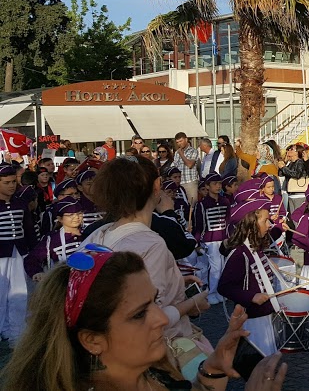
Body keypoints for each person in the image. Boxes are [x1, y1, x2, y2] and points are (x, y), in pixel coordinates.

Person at [0, 246, 289, 391]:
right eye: (139, 314)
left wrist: (211, 371)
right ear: (92, 340)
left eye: (155, 301)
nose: (162, 319)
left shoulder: (155, 372)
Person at [81, 157, 211, 353]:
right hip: (151, 351)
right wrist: (192, 304)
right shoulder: (152, 244)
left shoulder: (99, 234)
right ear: (157, 186)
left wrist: (174, 281)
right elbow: (149, 316)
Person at [218, 196, 289, 356]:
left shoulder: (255, 248)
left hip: (265, 316)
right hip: (252, 321)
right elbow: (224, 286)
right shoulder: (240, 253)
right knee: (259, 368)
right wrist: (252, 296)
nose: (269, 225)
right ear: (252, 225)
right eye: (265, 221)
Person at [0, 164, 34, 343]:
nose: (12, 186)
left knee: (19, 293)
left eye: (14, 182)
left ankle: (16, 331)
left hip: (19, 252)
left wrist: (32, 252)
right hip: (1, 255)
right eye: (6, 182)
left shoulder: (20, 203)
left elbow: (28, 229)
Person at [25, 197, 83, 281]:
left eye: (79, 213)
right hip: (63, 282)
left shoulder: (88, 233)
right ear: (60, 219)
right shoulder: (52, 239)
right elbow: (31, 258)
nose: (76, 217)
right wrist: (37, 272)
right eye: (70, 215)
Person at [191, 172, 228, 305]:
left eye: (219, 183)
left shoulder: (225, 201)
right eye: (214, 184)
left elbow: (227, 222)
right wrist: (197, 242)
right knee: (215, 267)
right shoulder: (201, 204)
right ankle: (211, 292)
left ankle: (220, 291)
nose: (218, 186)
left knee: (223, 266)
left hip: (223, 239)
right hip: (209, 240)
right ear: (207, 186)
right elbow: (198, 225)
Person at [171, 132, 201, 204]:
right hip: (179, 182)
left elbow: (190, 164)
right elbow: (174, 165)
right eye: (177, 142)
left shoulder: (193, 151)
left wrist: (181, 154)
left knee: (192, 204)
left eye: (181, 141)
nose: (179, 144)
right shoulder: (176, 153)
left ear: (186, 139)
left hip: (190, 182)